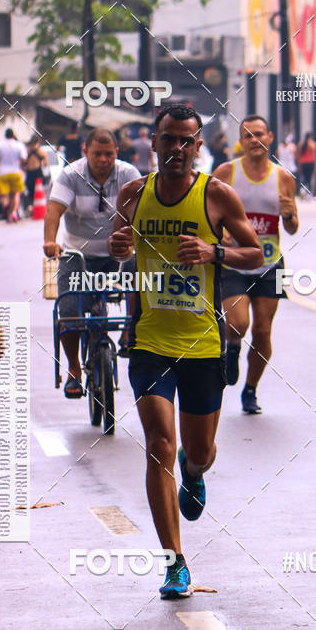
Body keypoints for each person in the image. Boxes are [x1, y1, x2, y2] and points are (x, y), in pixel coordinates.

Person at [109, 104, 263, 599]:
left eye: (186, 141)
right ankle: (175, 563)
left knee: (198, 452)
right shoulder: (133, 194)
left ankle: (195, 476)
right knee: (159, 446)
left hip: (202, 344)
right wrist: (118, 250)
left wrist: (214, 252)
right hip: (150, 340)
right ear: (152, 143)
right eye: (168, 139)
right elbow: (121, 249)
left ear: (199, 146)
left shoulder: (217, 195)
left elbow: (257, 254)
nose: (176, 149)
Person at [43, 128, 140, 398]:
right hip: (78, 255)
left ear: (116, 153)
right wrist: (50, 241)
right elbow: (53, 211)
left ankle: (130, 333)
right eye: (97, 154)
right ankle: (74, 369)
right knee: (70, 307)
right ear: (85, 152)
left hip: (117, 254)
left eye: (109, 154)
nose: (103, 159)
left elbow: (141, 209)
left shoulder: (128, 174)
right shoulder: (70, 175)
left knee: (139, 274)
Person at [212, 114, 299, 414]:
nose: (254, 140)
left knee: (263, 331)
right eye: (247, 135)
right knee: (238, 323)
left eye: (259, 134)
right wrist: (218, 231)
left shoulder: (283, 178)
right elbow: (207, 213)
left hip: (270, 265)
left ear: (270, 137)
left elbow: (292, 228)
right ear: (241, 141)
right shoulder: (226, 173)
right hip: (234, 262)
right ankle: (232, 346)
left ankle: (250, 391)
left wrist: (288, 215)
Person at [0, 128, 27, 222]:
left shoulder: (0, 145)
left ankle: (5, 208)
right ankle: (12, 213)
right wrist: (17, 162)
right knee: (15, 194)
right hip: (15, 172)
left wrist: (1, 162)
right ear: (13, 135)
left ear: (5, 135)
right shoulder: (19, 145)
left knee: (4, 195)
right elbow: (24, 159)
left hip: (2, 172)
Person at [24, 135, 49, 211]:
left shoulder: (27, 151)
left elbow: (23, 163)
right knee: (38, 192)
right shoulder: (41, 152)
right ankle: (36, 208)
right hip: (37, 172)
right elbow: (46, 163)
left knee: (30, 192)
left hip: (29, 173)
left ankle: (31, 207)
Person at [297, 131, 316, 196]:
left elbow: (298, 155)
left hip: (303, 163)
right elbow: (314, 156)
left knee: (304, 178)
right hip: (310, 163)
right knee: (309, 179)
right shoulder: (312, 144)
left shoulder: (300, 144)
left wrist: (299, 165)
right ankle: (308, 193)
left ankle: (303, 191)